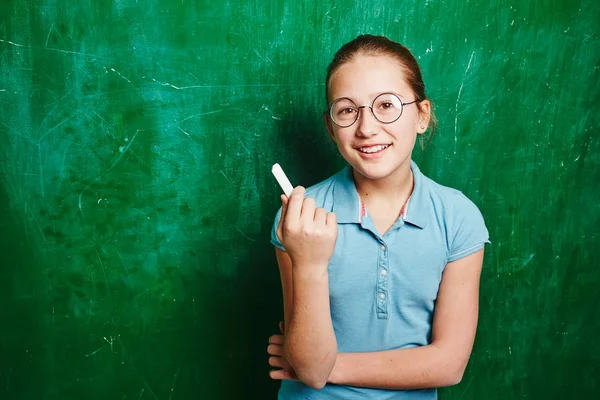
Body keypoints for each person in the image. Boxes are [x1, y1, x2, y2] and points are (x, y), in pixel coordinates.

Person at [267, 34, 490, 399]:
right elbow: (308, 367)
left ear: (422, 115)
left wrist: (332, 365)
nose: (367, 128)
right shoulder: (299, 219)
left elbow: (449, 364)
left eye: (386, 105)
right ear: (330, 128)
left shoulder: (458, 218)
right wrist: (308, 264)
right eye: (347, 110)